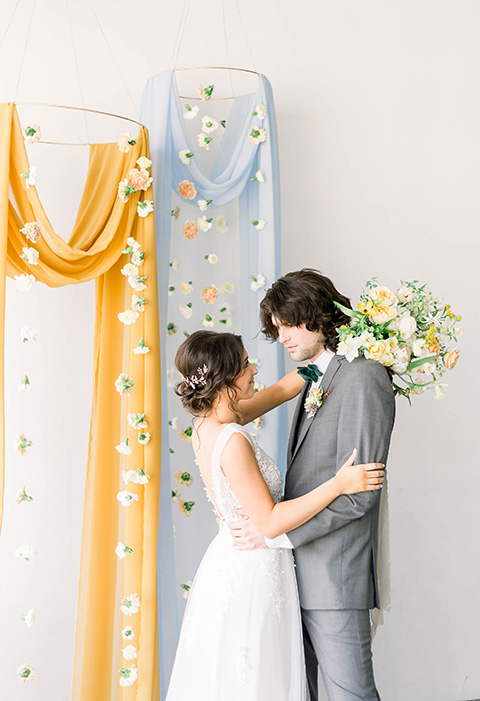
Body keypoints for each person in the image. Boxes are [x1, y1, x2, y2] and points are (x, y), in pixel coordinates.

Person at [165, 329, 385, 701]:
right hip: (253, 569)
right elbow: (268, 522)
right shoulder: (232, 441)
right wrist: (338, 484)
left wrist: (333, 353)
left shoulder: (209, 422)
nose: (254, 369)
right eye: (246, 365)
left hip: (236, 558)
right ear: (225, 381)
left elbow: (284, 389)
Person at [229, 269, 396, 701]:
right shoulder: (311, 376)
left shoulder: (364, 376)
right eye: (277, 328)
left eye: (289, 323)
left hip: (334, 578)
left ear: (319, 315)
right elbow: (240, 413)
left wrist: (279, 534)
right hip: (289, 577)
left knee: (351, 696)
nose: (282, 337)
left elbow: (360, 494)